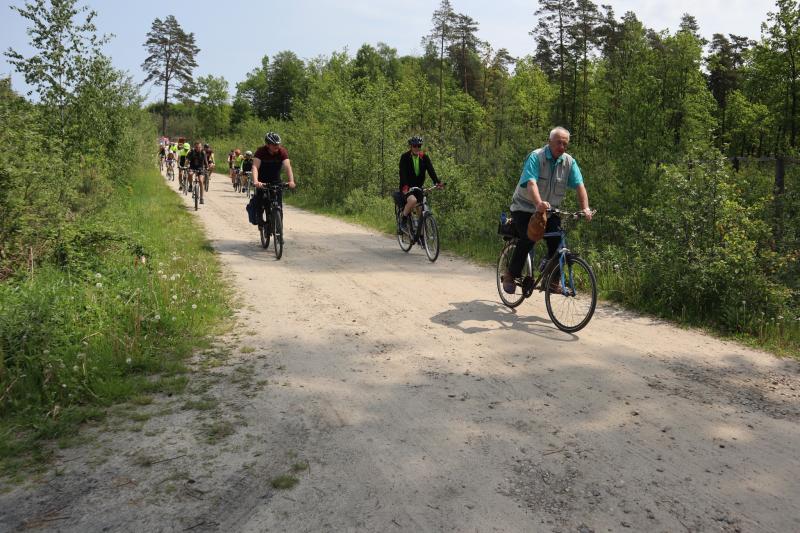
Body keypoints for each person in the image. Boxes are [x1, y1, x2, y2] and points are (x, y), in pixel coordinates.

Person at [501, 126, 593, 295]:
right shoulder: (537, 157)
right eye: (558, 143)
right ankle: (511, 274)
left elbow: (580, 185)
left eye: (565, 144)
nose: (562, 147)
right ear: (549, 142)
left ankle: (552, 281)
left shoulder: (569, 162)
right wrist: (538, 203)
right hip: (524, 207)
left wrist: (585, 208)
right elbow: (531, 183)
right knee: (529, 237)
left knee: (558, 242)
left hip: (550, 211)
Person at [395, 135, 443, 232]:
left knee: (421, 211)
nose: (417, 148)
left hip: (418, 187)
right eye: (415, 146)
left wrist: (437, 182)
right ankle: (403, 220)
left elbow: (431, 171)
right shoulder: (405, 157)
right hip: (406, 187)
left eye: (419, 146)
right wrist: (405, 187)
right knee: (412, 201)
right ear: (411, 146)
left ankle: (421, 236)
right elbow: (402, 173)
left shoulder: (424, 157)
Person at [253, 132, 296, 215]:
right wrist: (256, 181)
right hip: (262, 181)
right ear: (267, 145)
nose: (277, 146)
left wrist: (291, 181)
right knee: (259, 205)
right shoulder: (260, 151)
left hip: (276, 180)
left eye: (278, 144)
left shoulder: (282, 151)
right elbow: (255, 167)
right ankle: (259, 220)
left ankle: (278, 221)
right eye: (274, 144)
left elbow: (288, 166)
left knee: (279, 206)